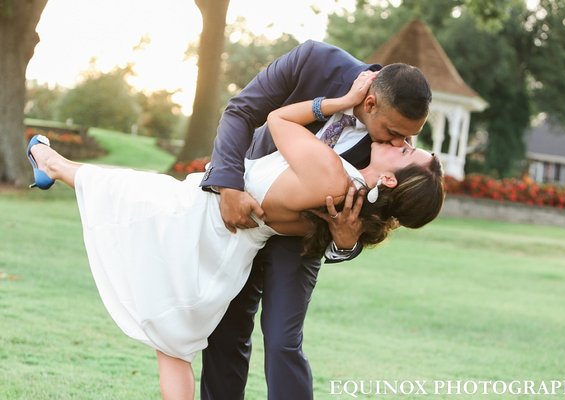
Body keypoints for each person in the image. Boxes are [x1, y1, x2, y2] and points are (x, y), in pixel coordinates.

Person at [26, 72, 444, 399]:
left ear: (388, 179)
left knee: (117, 192)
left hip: (199, 220)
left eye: (407, 149)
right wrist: (346, 240)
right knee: (174, 349)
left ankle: (43, 156)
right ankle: (49, 162)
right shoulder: (345, 206)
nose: (402, 141)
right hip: (227, 261)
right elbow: (300, 231)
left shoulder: (331, 175)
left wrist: (342, 103)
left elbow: (278, 119)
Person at [199, 40, 434, 399]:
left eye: (409, 138)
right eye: (395, 133)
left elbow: (382, 212)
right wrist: (228, 186)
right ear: (370, 103)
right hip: (246, 206)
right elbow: (241, 111)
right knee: (227, 331)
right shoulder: (313, 61)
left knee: (282, 342)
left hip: (302, 236)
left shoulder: (389, 151)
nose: (400, 142)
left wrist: (345, 243)